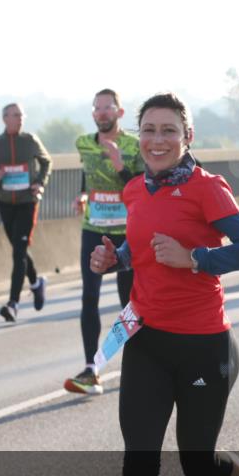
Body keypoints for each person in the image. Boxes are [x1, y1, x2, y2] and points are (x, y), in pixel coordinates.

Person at [88, 92, 239, 476]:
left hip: (203, 346)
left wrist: (197, 258)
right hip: (145, 342)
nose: (158, 139)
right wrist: (112, 257)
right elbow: (140, 249)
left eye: (169, 130)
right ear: (137, 136)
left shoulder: (206, 188)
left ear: (187, 138)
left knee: (196, 461)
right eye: (149, 130)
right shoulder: (133, 191)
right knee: (137, 466)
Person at [65, 89, 144, 395]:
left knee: (129, 302)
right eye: (96, 108)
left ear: (119, 113)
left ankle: (136, 365)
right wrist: (84, 194)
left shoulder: (133, 146)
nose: (101, 113)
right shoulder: (84, 143)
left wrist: (121, 165)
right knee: (89, 298)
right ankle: (91, 368)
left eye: (107, 108)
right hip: (93, 228)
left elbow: (139, 189)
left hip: (126, 232)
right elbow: (90, 174)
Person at [0, 103, 52, 322]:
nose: (20, 119)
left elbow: (46, 162)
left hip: (27, 202)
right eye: (16, 115)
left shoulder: (30, 141)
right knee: (19, 249)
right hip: (5, 203)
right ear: (5, 119)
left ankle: (13, 304)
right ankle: (37, 283)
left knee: (18, 252)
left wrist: (39, 182)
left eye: (21, 115)